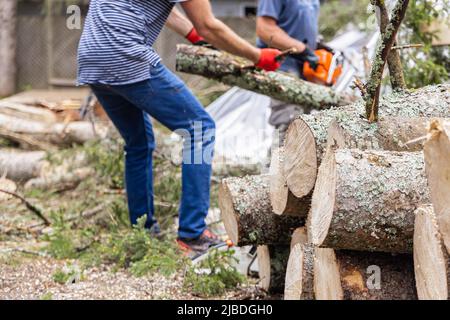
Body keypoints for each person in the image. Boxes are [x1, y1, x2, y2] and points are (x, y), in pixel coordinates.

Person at [77, 0, 282, 256]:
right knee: (200, 128)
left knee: (138, 143)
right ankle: (193, 233)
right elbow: (209, 25)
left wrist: (192, 34)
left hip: (91, 56)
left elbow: (175, 12)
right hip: (125, 53)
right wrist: (258, 56)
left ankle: (142, 232)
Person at [256, 0, 321, 139]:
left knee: (306, 126)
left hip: (304, 69)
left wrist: (316, 48)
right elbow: (265, 29)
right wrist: (301, 49)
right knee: (288, 124)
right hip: (283, 66)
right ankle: (277, 160)